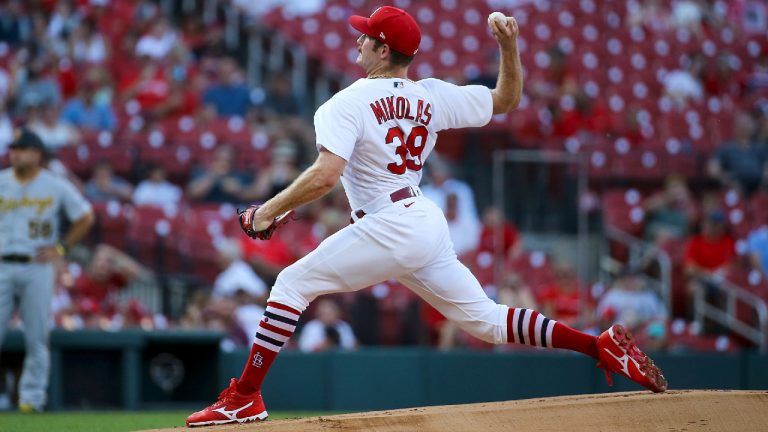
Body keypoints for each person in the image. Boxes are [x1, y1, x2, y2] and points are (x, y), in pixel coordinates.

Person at [186, 7, 667, 427]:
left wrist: (267, 210)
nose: (358, 39)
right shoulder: (431, 95)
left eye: (366, 35)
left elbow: (326, 175)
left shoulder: (345, 102)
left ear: (381, 49)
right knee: (485, 321)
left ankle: (244, 398)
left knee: (291, 284)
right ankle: (597, 346)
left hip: (389, 222)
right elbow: (505, 99)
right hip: (420, 218)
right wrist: (509, 46)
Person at [0, 129, 94, 412]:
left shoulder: (54, 185)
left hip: (36, 265)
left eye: (23, 148)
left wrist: (61, 247)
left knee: (37, 336)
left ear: (38, 154)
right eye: (14, 148)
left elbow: (85, 216)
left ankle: (31, 399)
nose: (16, 152)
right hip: (2, 263)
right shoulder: (2, 181)